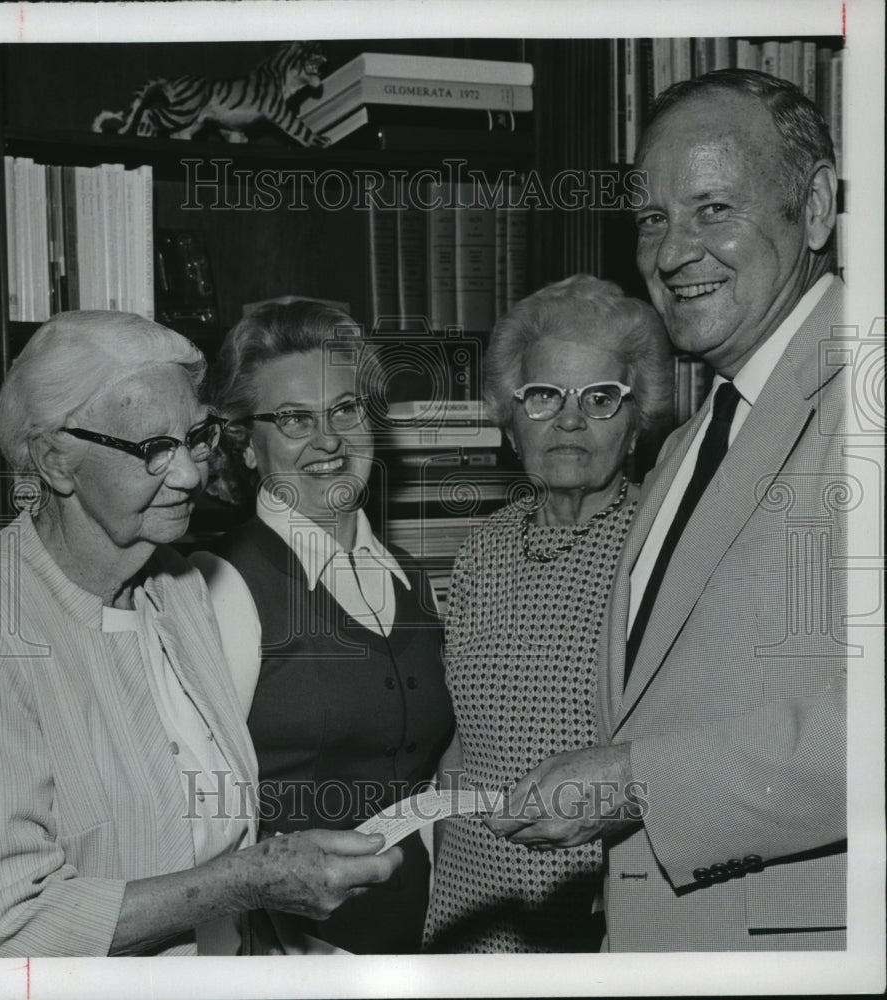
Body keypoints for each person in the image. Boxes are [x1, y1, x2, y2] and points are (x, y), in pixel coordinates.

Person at [486, 69, 848, 951]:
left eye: (713, 207)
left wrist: (636, 783)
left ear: (817, 207)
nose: (673, 251)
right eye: (653, 218)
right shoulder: (687, 445)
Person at [0, 311, 402, 958]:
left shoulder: (179, 585)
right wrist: (244, 883)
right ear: (54, 461)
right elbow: (13, 923)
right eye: (152, 449)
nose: (189, 474)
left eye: (196, 438)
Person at [191, 300, 455, 954]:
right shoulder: (223, 584)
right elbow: (192, 820)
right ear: (246, 447)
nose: (328, 440)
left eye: (345, 409)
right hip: (282, 961)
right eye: (292, 420)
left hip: (417, 946)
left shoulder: (408, 579)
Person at [423, 275, 674, 953]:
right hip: (471, 902)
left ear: (636, 420)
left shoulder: (661, 544)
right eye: (543, 397)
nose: (569, 421)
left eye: (600, 399)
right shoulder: (483, 547)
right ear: (511, 417)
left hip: (602, 909)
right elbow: (459, 740)